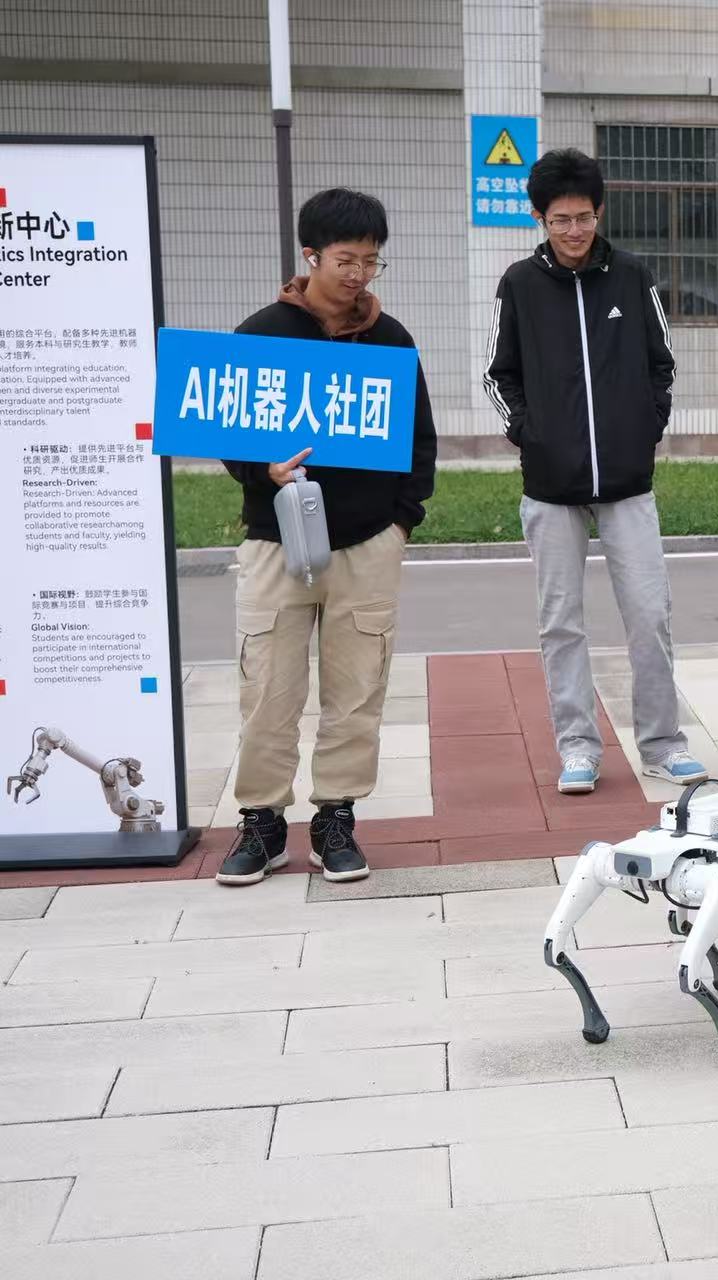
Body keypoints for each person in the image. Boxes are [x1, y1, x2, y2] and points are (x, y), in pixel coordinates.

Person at [217, 188, 437, 886]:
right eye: (347, 260)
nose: (359, 275)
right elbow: (227, 429)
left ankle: (336, 817)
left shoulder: (390, 339)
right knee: (267, 688)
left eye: (372, 262)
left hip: (367, 543)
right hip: (275, 540)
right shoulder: (262, 334)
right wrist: (262, 469)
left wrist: (401, 522)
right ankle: (261, 822)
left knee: (357, 689)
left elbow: (418, 439)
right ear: (311, 255)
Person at [485, 147, 708, 794]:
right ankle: (578, 748)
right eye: (560, 220)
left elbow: (662, 363)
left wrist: (645, 428)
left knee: (649, 615)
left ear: (599, 212)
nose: (574, 230)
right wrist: (530, 437)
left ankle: (663, 743)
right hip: (550, 487)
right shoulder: (519, 285)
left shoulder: (632, 277)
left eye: (583, 217)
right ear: (540, 219)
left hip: (627, 482)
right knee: (561, 623)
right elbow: (499, 376)